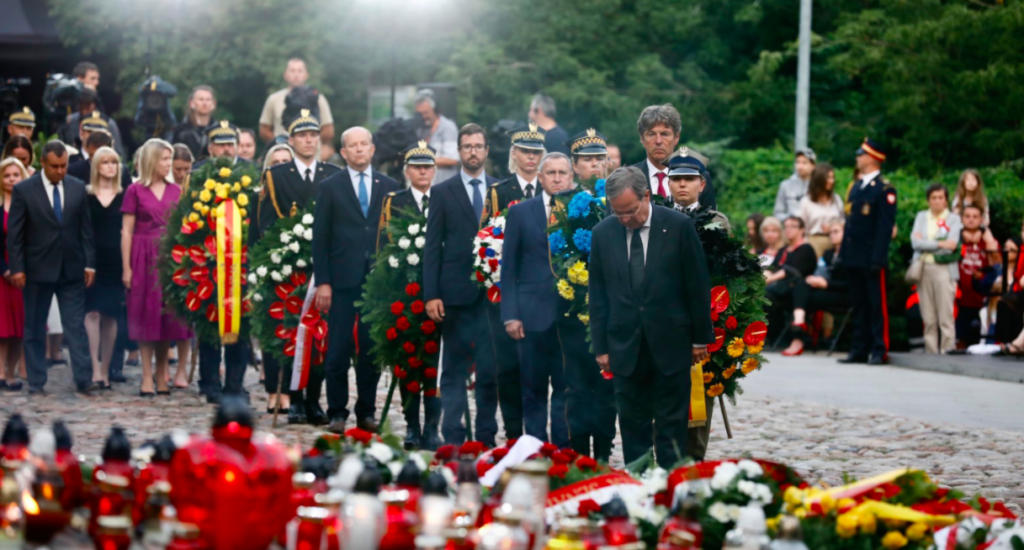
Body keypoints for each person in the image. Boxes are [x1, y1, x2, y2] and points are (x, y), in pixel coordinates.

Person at [589, 166, 713, 467]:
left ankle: (670, 483)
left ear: (647, 196)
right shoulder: (603, 233)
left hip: (671, 343)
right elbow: (598, 294)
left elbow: (696, 285)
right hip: (624, 345)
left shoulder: (679, 226)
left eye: (630, 211)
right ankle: (639, 481)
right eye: (618, 212)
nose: (625, 219)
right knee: (633, 426)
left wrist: (700, 339)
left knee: (672, 427)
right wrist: (601, 346)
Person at [313, 126, 399, 433]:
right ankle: (337, 412)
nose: (359, 149)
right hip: (341, 281)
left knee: (370, 349)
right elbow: (320, 237)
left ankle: (366, 412)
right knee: (337, 349)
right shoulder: (330, 187)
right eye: (353, 145)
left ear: (372, 149)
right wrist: (323, 281)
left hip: (376, 283)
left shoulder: (389, 186)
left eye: (364, 144)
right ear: (344, 152)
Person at [256, 111, 341, 424]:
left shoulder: (333, 174)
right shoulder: (276, 176)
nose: (309, 140)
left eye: (313, 135)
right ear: (291, 141)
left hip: (323, 270)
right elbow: (265, 225)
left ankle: (314, 400)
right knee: (291, 332)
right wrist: (283, 253)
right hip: (290, 269)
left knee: (320, 335)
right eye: (302, 136)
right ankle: (294, 399)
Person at [423, 123, 501, 446]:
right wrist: (431, 294)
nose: (473, 151)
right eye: (467, 146)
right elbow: (432, 246)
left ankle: (486, 435)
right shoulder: (443, 191)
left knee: (489, 370)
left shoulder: (499, 189)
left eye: (478, 146)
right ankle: (453, 434)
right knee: (453, 370)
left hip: (491, 297)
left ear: (486, 150)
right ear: (459, 151)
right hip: (454, 295)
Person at [6, 141, 97, 395]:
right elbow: (15, 234)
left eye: (64, 165)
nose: (60, 171)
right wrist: (17, 267)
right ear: (43, 163)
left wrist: (90, 264)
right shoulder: (24, 190)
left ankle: (84, 378)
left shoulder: (77, 187)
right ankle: (36, 380)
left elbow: (86, 230)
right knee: (34, 326)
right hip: (36, 269)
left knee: (75, 325)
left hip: (72, 268)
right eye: (55, 166)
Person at [482, 123, 552, 442]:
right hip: (506, 290)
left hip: (542, 294)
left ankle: (539, 434)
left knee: (541, 369)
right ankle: (513, 432)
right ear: (514, 153)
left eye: (536, 152)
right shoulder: (499, 191)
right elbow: (485, 240)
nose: (531, 157)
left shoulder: (553, 190)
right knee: (508, 366)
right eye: (525, 151)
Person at [501, 152, 572, 449]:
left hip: (570, 318)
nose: (557, 178)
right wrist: (511, 314)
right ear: (540, 177)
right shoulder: (520, 212)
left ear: (571, 177)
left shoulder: (582, 211)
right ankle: (534, 449)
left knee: (566, 390)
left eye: (562, 173)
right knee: (532, 389)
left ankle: (562, 451)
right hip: (531, 317)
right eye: (551, 173)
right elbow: (509, 267)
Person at [557, 129, 617, 460]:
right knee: (577, 385)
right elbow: (555, 258)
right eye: (587, 160)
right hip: (574, 310)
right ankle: (578, 453)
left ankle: (604, 454)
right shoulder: (562, 203)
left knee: (607, 384)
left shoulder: (619, 198)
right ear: (575, 165)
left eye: (599, 158)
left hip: (612, 308)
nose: (594, 165)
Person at [380, 142, 439, 449]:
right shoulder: (394, 201)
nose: (422, 172)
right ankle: (412, 425)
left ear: (435, 170)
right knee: (408, 360)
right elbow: (382, 247)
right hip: (404, 293)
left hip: (438, 292)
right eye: (417, 167)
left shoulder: (443, 198)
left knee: (435, 361)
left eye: (427, 167)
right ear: (406, 171)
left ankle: (433, 426)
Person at [122, 139, 192, 396]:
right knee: (145, 316)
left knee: (167, 318)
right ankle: (146, 376)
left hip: (170, 259)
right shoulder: (135, 190)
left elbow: (184, 229)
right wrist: (126, 268)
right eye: (164, 159)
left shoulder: (177, 191)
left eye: (169, 158)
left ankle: (162, 374)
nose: (168, 163)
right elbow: (126, 231)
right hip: (142, 257)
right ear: (151, 160)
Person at [839, 138, 897, 365]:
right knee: (859, 305)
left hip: (871, 257)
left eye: (861, 154)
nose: (857, 157)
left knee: (876, 305)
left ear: (872, 158)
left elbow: (884, 228)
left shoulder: (884, 189)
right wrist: (844, 253)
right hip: (854, 255)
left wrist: (877, 258)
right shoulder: (857, 187)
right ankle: (859, 349)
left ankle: (879, 349)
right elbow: (850, 224)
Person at [83, 146, 125, 390]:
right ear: (96, 166)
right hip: (91, 262)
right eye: (105, 162)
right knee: (91, 313)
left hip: (116, 262)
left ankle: (106, 368)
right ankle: (95, 367)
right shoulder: (85, 195)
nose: (111, 166)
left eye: (114, 162)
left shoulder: (124, 195)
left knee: (110, 315)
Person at [781, 222, 851, 356]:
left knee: (802, 298)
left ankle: (797, 337)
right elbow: (821, 273)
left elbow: (851, 284)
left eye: (836, 231)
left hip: (843, 294)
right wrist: (815, 280)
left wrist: (826, 284)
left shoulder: (851, 255)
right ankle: (799, 323)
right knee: (802, 284)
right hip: (825, 291)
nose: (832, 235)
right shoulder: (828, 254)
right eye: (830, 232)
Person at [909, 184, 961, 355]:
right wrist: (939, 243)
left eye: (940, 197)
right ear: (928, 200)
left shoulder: (953, 219)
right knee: (928, 316)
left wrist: (926, 243)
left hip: (944, 269)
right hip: (924, 268)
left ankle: (948, 350)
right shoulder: (921, 217)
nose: (937, 201)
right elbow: (915, 243)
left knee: (946, 315)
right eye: (933, 198)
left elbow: (951, 246)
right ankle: (931, 352)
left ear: (946, 200)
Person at [631, 105, 716, 209]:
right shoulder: (629, 178)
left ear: (676, 137)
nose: (658, 141)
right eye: (651, 134)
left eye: (665, 134)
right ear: (642, 139)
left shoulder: (700, 176)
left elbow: (710, 216)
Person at [765, 217, 818, 345]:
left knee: (767, 298)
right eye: (786, 226)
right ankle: (771, 337)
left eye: (793, 226)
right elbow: (773, 268)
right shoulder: (783, 250)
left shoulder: (805, 248)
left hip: (798, 295)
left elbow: (792, 271)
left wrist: (769, 279)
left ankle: (781, 337)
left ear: (802, 230)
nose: (788, 229)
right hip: (780, 291)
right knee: (761, 296)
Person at [0, 158, 28, 390]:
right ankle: (0, 372)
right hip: (2, 270)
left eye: (15, 175)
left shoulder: (30, 203)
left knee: (20, 327)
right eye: (6, 175)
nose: (11, 179)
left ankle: (11, 373)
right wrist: (5, 269)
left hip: (25, 272)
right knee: (3, 327)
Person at [259, 57, 335, 143]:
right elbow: (264, 130)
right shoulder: (273, 99)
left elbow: (328, 131)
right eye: (292, 71)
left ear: (306, 75)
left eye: (300, 71)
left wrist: (312, 143)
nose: (296, 75)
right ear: (285, 75)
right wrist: (279, 144)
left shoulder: (318, 98)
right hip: (284, 150)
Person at [956, 204, 999, 349]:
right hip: (959, 299)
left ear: (981, 219)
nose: (971, 220)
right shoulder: (955, 238)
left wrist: (989, 241)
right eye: (967, 216)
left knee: (979, 342)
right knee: (960, 341)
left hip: (982, 300)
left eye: (975, 216)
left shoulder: (987, 240)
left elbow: (998, 265)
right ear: (961, 219)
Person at [667, 154, 730, 232]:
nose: (682, 184)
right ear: (669, 184)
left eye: (689, 179)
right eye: (676, 179)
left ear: (702, 185)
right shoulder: (658, 218)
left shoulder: (717, 221)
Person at [58, 88, 125, 158]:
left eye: (87, 108)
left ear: (95, 105)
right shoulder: (70, 121)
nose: (84, 112)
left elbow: (118, 151)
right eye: (81, 108)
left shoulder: (108, 123)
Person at [798, 162, 844, 257]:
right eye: (828, 177)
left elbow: (843, 220)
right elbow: (801, 227)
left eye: (832, 177)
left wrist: (833, 227)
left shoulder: (836, 199)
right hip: (814, 242)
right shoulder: (806, 201)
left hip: (835, 243)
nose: (831, 181)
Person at [413, 90, 460, 182]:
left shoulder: (447, 127)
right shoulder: (419, 129)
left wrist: (421, 160)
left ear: (435, 110)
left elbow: (452, 159)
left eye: (426, 113)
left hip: (444, 183)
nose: (423, 117)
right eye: (420, 114)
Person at [68, 131, 133, 190]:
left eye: (100, 156)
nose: (96, 159)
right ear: (87, 150)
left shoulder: (122, 171)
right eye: (92, 155)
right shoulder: (74, 171)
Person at [172, 85, 217, 162]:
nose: (205, 103)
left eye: (208, 100)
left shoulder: (219, 130)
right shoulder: (180, 131)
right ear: (191, 103)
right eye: (201, 99)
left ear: (213, 104)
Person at [773, 149, 816, 219]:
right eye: (798, 162)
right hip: (790, 223)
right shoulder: (785, 185)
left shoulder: (818, 186)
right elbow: (778, 212)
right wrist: (789, 219)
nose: (800, 167)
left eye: (804, 163)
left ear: (813, 166)